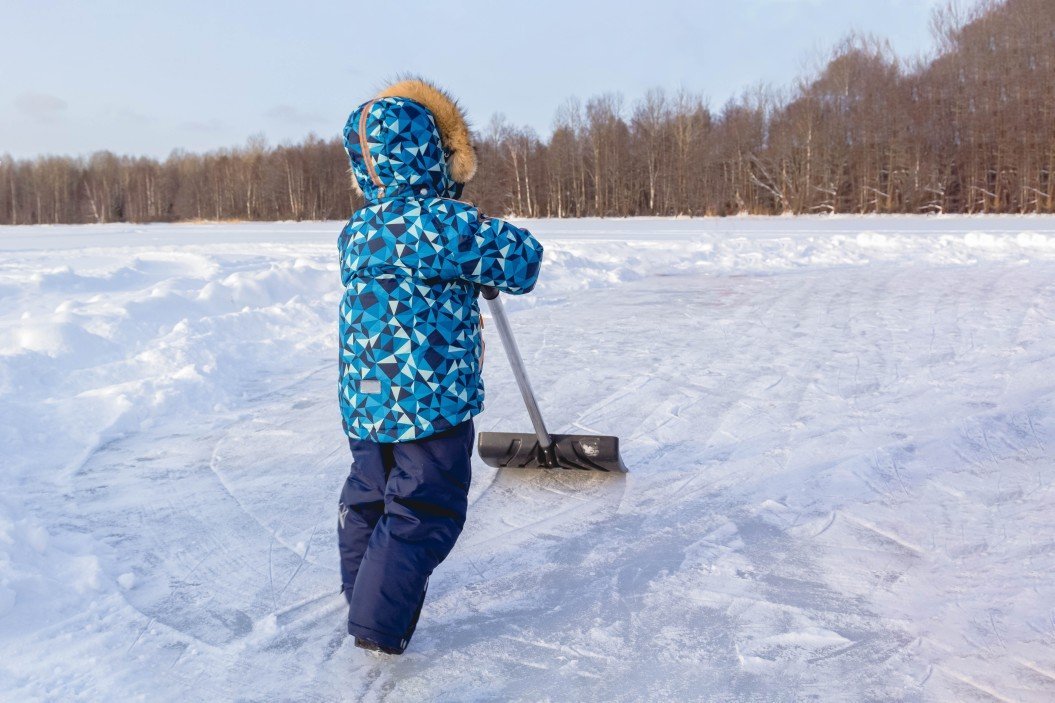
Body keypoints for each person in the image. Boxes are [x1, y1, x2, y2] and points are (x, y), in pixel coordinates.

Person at [336, 78, 543, 655]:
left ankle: (363, 597)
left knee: (370, 497)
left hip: (366, 396)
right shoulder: (443, 225)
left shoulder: (358, 230)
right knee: (426, 506)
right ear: (437, 155)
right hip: (430, 399)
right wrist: (470, 226)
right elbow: (523, 262)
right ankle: (377, 623)